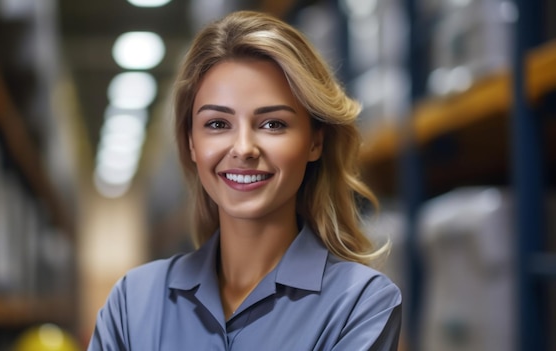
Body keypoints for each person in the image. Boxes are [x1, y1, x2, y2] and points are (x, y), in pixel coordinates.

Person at [88, 10, 401, 351]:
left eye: (272, 124)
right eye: (218, 124)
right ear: (191, 142)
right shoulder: (131, 303)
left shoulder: (360, 304)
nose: (243, 149)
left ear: (315, 141)